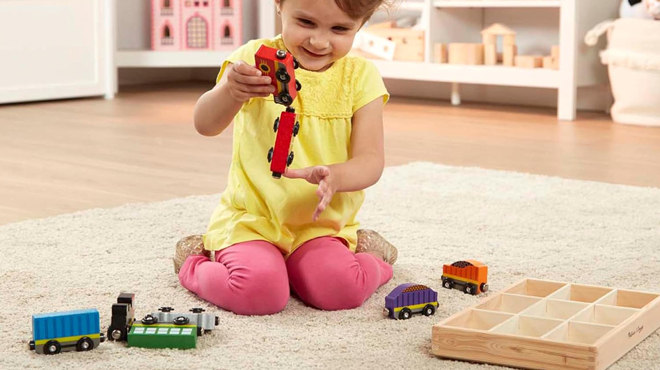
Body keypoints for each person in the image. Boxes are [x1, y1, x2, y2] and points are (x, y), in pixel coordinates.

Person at [174, 0, 398, 316]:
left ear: (362, 23)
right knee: (259, 294)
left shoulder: (361, 78)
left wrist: (337, 175)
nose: (319, 41)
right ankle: (193, 262)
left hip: (319, 225)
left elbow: (371, 160)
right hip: (253, 220)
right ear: (279, 5)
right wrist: (231, 92)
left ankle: (372, 255)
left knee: (341, 289)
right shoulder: (250, 61)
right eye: (305, 22)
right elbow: (205, 124)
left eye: (339, 29)